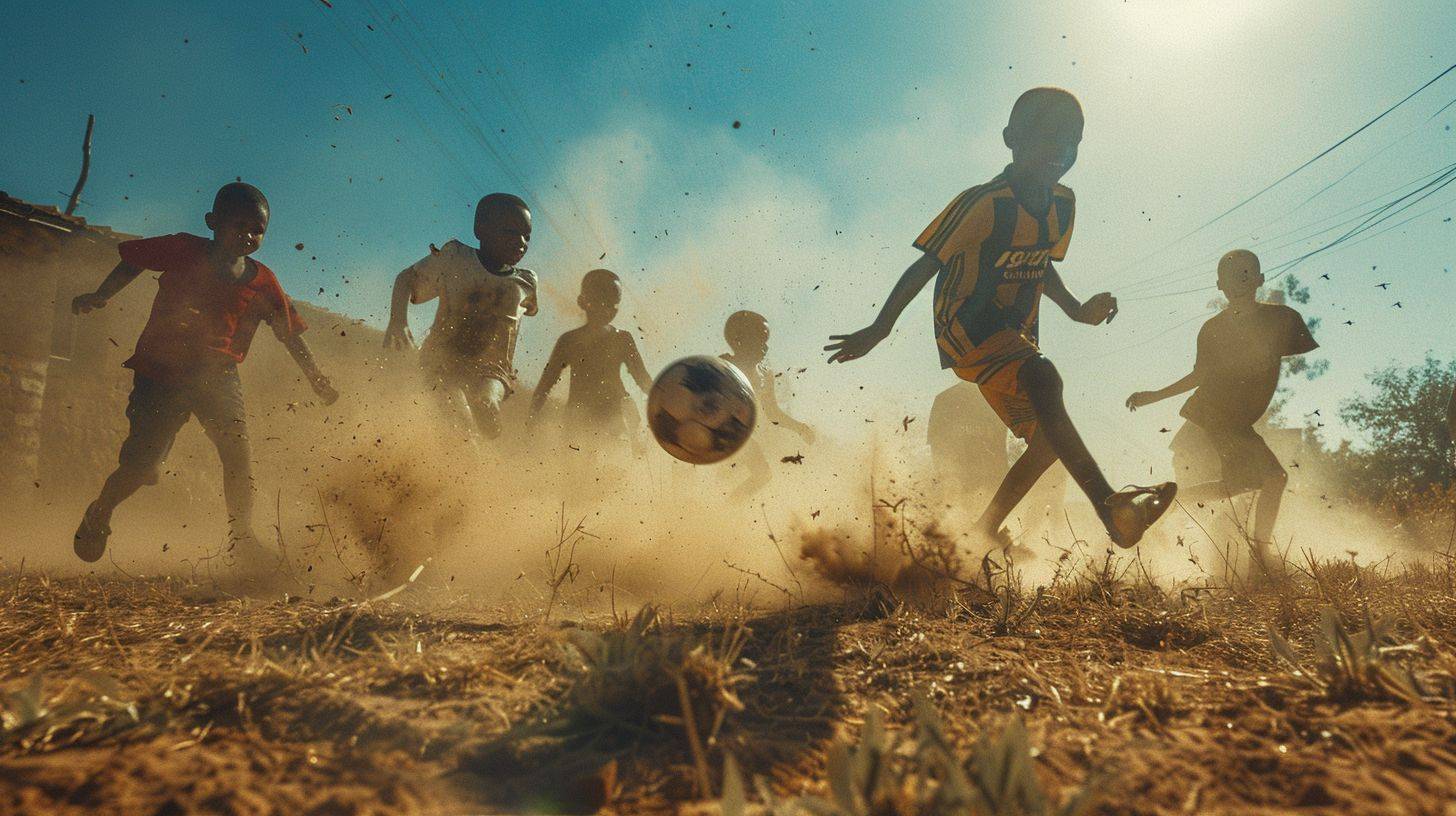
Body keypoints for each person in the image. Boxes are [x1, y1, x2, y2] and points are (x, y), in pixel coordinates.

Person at [825, 87, 1175, 549]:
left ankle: (983, 530)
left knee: (1049, 441)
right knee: (1045, 375)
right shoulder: (983, 202)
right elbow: (927, 263)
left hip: (1013, 337)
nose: (1058, 151)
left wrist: (1075, 309)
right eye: (1044, 137)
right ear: (1011, 138)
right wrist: (881, 326)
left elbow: (1040, 261)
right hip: (965, 327)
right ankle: (1112, 507)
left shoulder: (1063, 204)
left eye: (1070, 140)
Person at [70, 182, 337, 563]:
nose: (247, 235)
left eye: (256, 230)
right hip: (160, 375)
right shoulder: (182, 249)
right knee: (143, 468)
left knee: (238, 457)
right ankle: (100, 511)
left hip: (219, 378)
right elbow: (133, 259)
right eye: (238, 225)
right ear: (212, 221)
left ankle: (242, 539)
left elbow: (289, 333)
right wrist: (102, 295)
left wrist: (316, 376)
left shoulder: (263, 281)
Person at [1127, 249, 1317, 553]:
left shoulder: (1281, 319)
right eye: (1231, 276)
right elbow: (1199, 375)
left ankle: (1158, 501)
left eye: (1246, 273)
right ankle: (1261, 553)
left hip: (1231, 422)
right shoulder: (1214, 329)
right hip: (1215, 418)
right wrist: (1155, 396)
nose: (1239, 280)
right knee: (1274, 478)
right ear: (1219, 285)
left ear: (1260, 279)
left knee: (1243, 484)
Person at [384, 193, 538, 445]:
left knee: (487, 398)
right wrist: (398, 321)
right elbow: (406, 279)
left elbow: (528, 310)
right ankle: (463, 464)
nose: (520, 242)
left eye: (527, 236)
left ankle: (486, 409)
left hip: (492, 371)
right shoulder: (455, 258)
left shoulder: (526, 282)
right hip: (442, 361)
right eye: (510, 232)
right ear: (481, 229)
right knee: (460, 426)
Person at [528, 269, 652, 454]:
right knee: (577, 474)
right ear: (583, 302)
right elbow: (547, 382)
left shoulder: (622, 339)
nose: (606, 308)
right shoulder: (569, 341)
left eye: (613, 302)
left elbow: (642, 379)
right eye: (600, 301)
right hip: (579, 416)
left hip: (616, 415)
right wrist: (530, 418)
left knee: (615, 470)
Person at [722, 310, 815, 499]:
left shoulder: (764, 374)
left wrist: (800, 428)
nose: (764, 346)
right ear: (739, 339)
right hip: (717, 431)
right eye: (758, 339)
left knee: (762, 475)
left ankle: (726, 513)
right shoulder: (723, 364)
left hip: (740, 435)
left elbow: (772, 413)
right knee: (729, 475)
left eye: (765, 340)